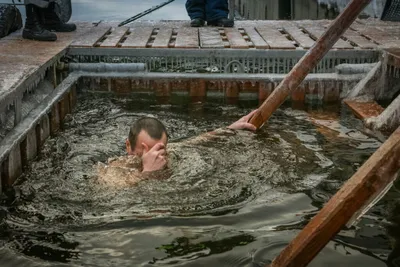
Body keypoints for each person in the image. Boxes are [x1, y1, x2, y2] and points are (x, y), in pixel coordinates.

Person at [97, 111, 257, 187]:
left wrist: (230, 129)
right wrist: (146, 173)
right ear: (128, 146)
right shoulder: (113, 169)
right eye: (143, 152)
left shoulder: (169, 152)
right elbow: (110, 194)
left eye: (159, 150)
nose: (154, 156)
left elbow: (197, 141)